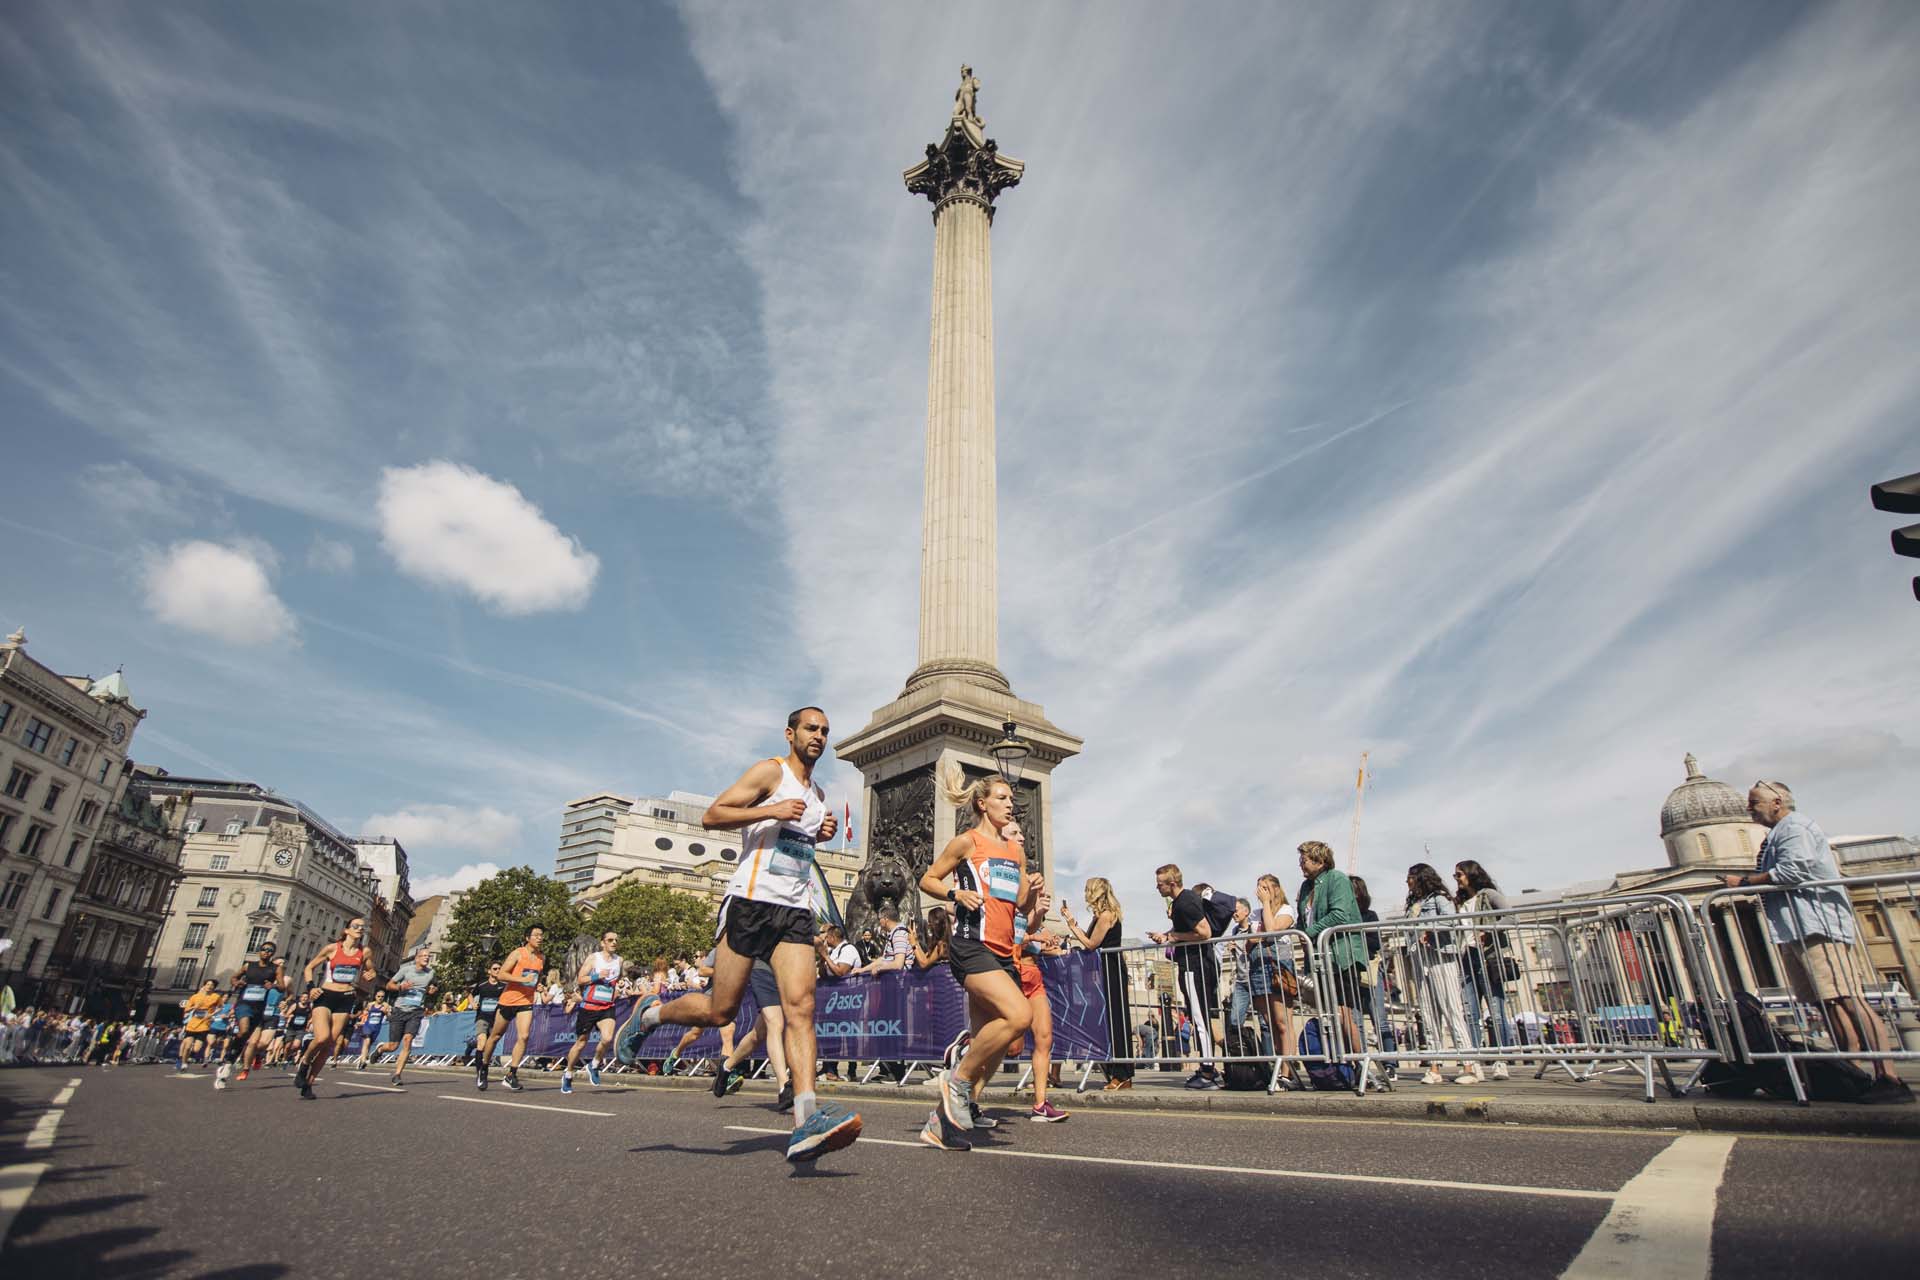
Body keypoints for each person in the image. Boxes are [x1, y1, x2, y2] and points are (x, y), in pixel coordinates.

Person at [616, 706, 861, 1162]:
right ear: (791, 733)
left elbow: (795, 842)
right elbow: (713, 815)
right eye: (811, 728)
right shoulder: (771, 773)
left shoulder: (819, 794)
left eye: (825, 731)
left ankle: (806, 1120)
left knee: (801, 1008)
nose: (819, 737)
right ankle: (650, 1016)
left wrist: (819, 833)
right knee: (719, 1010)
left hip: (793, 909)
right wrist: (773, 809)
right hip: (750, 905)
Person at [1727, 781, 1911, 1104]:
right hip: (1795, 927)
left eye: (1754, 802)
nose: (1749, 809)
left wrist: (1744, 882)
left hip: (1816, 924)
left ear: (1777, 802)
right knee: (1829, 1004)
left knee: (1848, 999)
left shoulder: (1795, 828)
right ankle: (1852, 1075)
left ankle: (1889, 1077)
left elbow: (1794, 870)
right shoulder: (1778, 834)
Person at [916, 765, 1037, 1150]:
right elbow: (928, 879)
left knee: (1001, 1040)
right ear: (982, 804)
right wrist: (955, 896)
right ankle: (958, 1082)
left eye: (1011, 800)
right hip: (971, 946)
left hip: (1004, 952)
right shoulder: (966, 842)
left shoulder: (1015, 850)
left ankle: (941, 1122)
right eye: (1002, 799)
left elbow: (1017, 904)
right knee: (1020, 1015)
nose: (1010, 805)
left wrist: (1031, 891)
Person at [1005, 823, 1066, 1121]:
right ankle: (967, 1080)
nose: (1022, 837)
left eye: (1021, 832)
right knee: (1012, 1048)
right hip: (1009, 973)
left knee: (1044, 1037)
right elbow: (1006, 932)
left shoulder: (1027, 879)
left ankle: (1041, 1104)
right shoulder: (1000, 878)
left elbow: (1024, 925)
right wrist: (1032, 937)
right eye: (1015, 833)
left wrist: (1039, 922)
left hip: (1031, 973)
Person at [1148, 864, 1221, 1089]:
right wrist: (1167, 935)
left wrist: (1173, 937)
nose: (1157, 887)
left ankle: (1208, 1072)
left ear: (1172, 883)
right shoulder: (1183, 901)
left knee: (1199, 1019)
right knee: (1197, 1016)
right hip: (1191, 964)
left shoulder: (1186, 901)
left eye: (1160, 883)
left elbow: (1204, 932)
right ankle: (1205, 1066)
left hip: (1195, 966)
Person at [1296, 841, 1365, 1079]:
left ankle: (1360, 1061)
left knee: (1343, 1012)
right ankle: (1341, 1066)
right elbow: (1302, 921)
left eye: (1304, 859)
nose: (1301, 864)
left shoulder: (1337, 879)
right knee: (1328, 1013)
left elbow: (1339, 914)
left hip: (1339, 955)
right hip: (1319, 959)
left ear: (1320, 860)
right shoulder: (1307, 887)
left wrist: (1310, 933)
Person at [1060, 876, 1134, 1091]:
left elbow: (1091, 944)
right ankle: (1118, 1072)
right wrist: (1072, 922)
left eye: (1086, 889)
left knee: (1115, 1021)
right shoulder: (1102, 915)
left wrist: (1073, 928)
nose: (1084, 893)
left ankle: (1121, 1073)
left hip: (1109, 970)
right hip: (1105, 969)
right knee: (1110, 1021)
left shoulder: (1106, 915)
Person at [1405, 863, 1474, 1085]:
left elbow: (1450, 920)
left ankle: (1469, 1065)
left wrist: (1429, 929)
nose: (1407, 882)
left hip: (1440, 956)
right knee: (1428, 1013)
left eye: (1411, 878)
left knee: (1451, 1008)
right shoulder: (1413, 903)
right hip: (1420, 959)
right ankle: (1434, 1066)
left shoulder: (1439, 898)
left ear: (1421, 878)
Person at [294, 917, 376, 1099]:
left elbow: (370, 971)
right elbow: (309, 968)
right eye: (356, 926)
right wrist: (310, 987)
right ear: (346, 930)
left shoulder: (365, 952)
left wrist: (370, 975)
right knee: (322, 1037)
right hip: (325, 996)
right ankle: (305, 1061)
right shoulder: (332, 948)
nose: (360, 929)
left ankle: (309, 1084)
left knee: (328, 1045)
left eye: (363, 927)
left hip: (346, 998)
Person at [1454, 860, 1513, 1080]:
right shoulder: (1460, 902)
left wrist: (1488, 930)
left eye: (1459, 874)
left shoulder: (1488, 895)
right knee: (1470, 1013)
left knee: (1496, 1011)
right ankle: (1474, 1062)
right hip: (1466, 957)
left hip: (1487, 956)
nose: (1457, 879)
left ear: (1471, 874)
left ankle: (1500, 1060)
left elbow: (1510, 916)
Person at [477, 925, 547, 1093]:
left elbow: (534, 978)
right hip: (508, 1001)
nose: (540, 938)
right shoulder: (518, 953)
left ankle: (511, 1074)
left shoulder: (541, 958)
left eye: (541, 935)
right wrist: (521, 979)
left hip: (526, 1001)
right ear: (527, 937)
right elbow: (501, 975)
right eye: (536, 935)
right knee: (494, 1036)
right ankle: (484, 1068)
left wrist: (537, 986)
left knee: (524, 1036)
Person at [562, 930, 624, 1094]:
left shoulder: (620, 960)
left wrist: (620, 986)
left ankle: (594, 1064)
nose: (614, 942)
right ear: (603, 942)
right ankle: (568, 1074)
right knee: (581, 1043)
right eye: (610, 940)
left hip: (606, 1006)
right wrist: (596, 976)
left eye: (616, 940)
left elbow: (616, 980)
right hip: (589, 1006)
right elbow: (581, 978)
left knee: (608, 1037)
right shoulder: (594, 958)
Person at [1349, 876, 1399, 1079]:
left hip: (1369, 968)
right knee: (1357, 1021)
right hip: (1351, 971)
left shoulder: (1369, 915)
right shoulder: (1344, 917)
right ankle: (1363, 1064)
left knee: (1379, 1018)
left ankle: (1390, 1064)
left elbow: (1374, 942)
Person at [219, 941, 286, 1089]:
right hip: (244, 1004)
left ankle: (228, 1062)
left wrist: (273, 986)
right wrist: (236, 982)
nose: (266, 952)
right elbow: (234, 978)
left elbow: (282, 987)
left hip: (259, 1007)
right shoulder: (249, 966)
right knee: (243, 1030)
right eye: (264, 950)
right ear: (259, 951)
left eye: (270, 951)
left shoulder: (276, 969)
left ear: (272, 954)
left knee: (245, 1037)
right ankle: (230, 1060)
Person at [384, 947, 439, 1088]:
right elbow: (389, 985)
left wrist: (432, 990)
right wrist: (401, 987)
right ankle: (380, 1050)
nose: (426, 958)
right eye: (423, 956)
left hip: (416, 1012)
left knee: (408, 1040)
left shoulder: (431, 973)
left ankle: (397, 1074)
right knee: (393, 1046)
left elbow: (434, 987)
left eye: (428, 956)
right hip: (400, 1010)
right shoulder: (406, 971)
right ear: (416, 958)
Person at [467, 962, 507, 1085]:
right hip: (482, 1017)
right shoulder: (482, 984)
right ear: (489, 971)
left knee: (490, 1046)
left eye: (500, 969)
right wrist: (473, 1003)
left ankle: (484, 1067)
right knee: (482, 1042)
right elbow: (470, 995)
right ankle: (480, 1072)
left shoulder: (504, 986)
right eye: (495, 969)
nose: (497, 970)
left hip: (496, 1019)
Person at [179, 980, 220, 1071]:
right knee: (188, 1046)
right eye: (207, 984)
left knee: (196, 1049)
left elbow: (220, 1007)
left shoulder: (216, 997)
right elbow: (186, 1010)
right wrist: (194, 1007)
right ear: (204, 986)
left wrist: (212, 1014)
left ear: (214, 987)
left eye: (212, 985)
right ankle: (184, 1063)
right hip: (192, 1025)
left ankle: (190, 1057)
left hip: (204, 1026)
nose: (209, 986)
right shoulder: (195, 996)